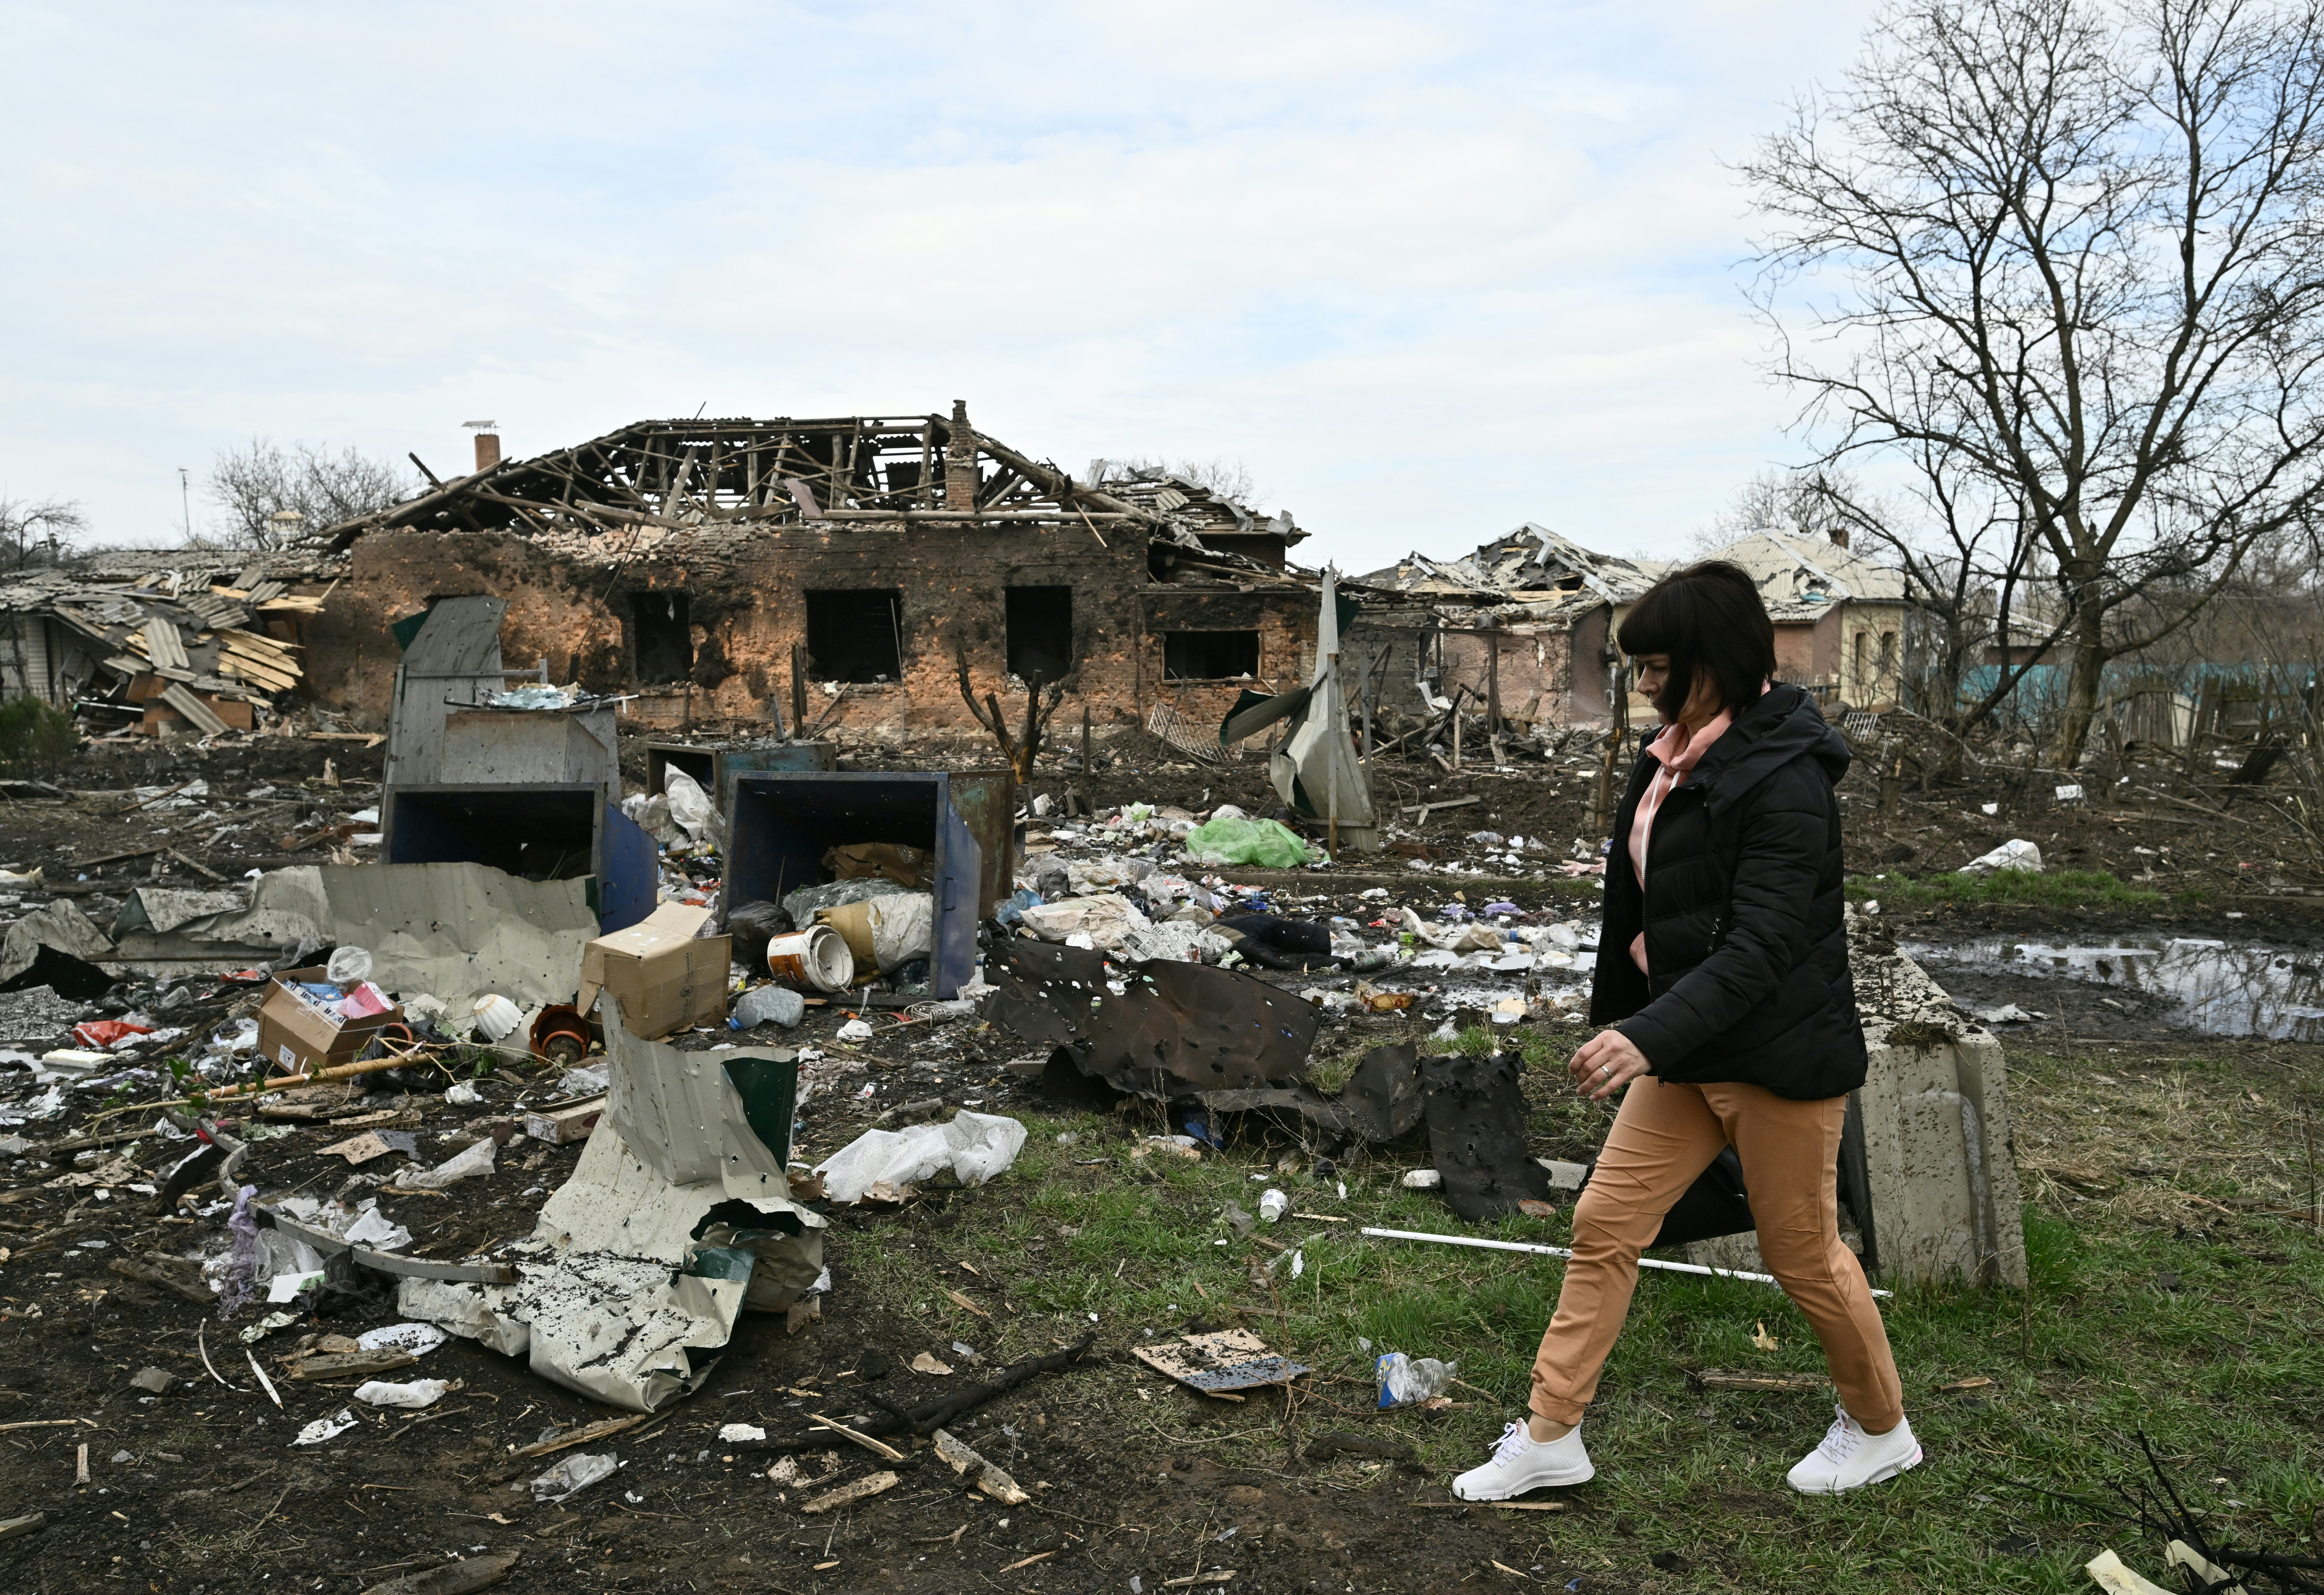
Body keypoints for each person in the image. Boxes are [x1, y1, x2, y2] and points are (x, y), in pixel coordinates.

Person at [1452, 560, 1918, 1502]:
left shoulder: (1787, 781)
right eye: (1641, 666)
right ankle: (1552, 1433)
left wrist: (1647, 1036)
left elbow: (1761, 949)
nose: (1645, 683)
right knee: (1605, 1221)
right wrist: (1640, 1015)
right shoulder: (1671, 756)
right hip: (1688, 1044)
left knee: (1803, 1255)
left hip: (1777, 1055)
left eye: (1660, 664)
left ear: (1715, 659)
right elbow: (1655, 899)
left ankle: (1882, 1428)